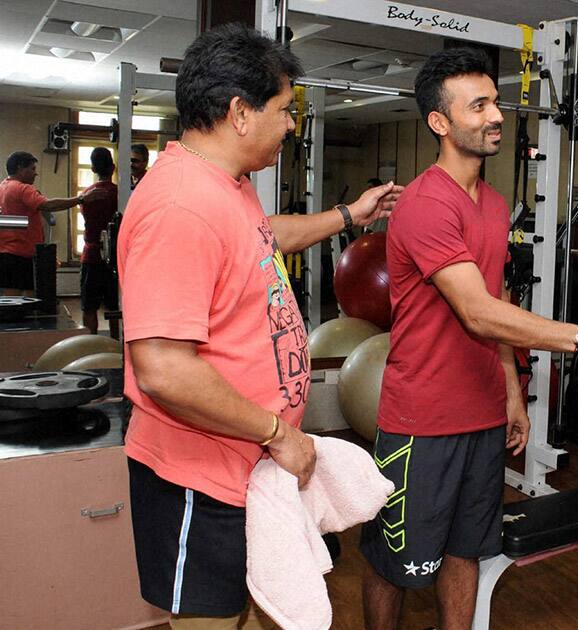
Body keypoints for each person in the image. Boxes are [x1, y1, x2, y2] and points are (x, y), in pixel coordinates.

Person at [118, 23, 401, 628]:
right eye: (283, 110)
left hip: (241, 468)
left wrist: (349, 214)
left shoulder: (224, 187)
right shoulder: (179, 207)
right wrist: (278, 432)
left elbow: (262, 238)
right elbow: (163, 369)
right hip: (198, 473)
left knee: (243, 613)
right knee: (210, 621)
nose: (292, 125)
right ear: (240, 112)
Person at [360, 47, 578, 630]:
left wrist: (511, 391)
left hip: (481, 416)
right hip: (423, 423)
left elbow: (498, 301)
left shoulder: (489, 204)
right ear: (440, 122)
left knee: (467, 551)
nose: (496, 116)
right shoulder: (425, 202)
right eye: (479, 105)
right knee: (397, 564)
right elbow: (477, 313)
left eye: (496, 103)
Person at [0, 151, 107, 296]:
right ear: (20, 168)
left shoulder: (3, 187)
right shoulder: (22, 188)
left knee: (11, 301)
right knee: (24, 302)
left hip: (9, 254)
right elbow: (48, 205)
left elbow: (17, 222)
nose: (35, 173)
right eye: (32, 169)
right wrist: (81, 199)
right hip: (20, 256)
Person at [79, 147, 119, 336]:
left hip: (92, 255)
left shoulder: (86, 195)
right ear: (113, 168)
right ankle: (114, 343)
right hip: (114, 257)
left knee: (89, 306)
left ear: (93, 170)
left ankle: (90, 344)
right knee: (114, 305)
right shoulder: (121, 195)